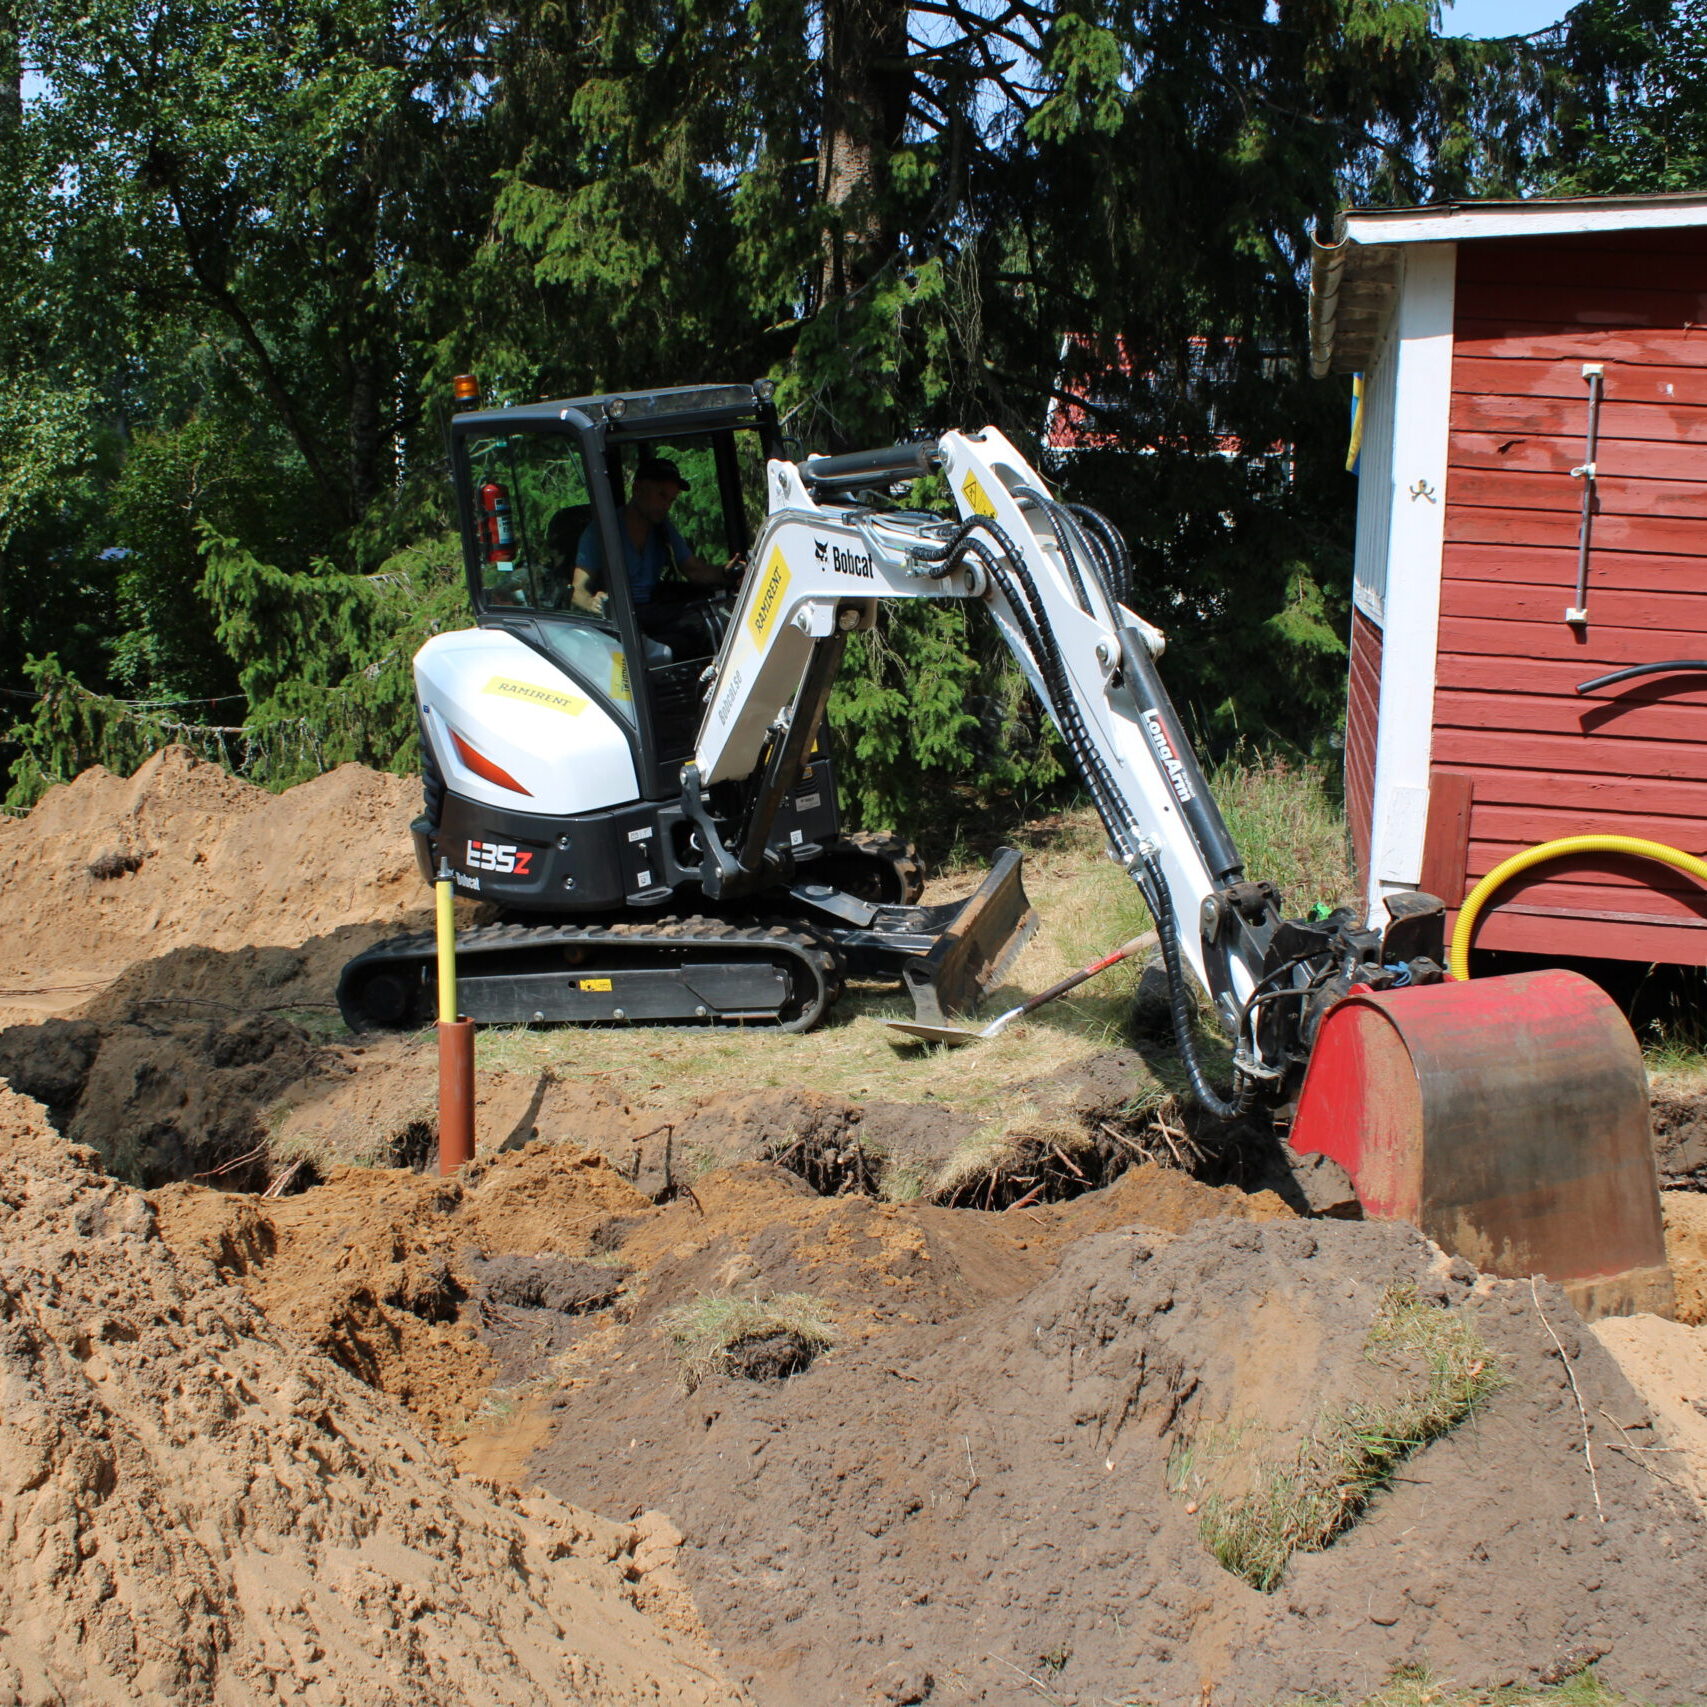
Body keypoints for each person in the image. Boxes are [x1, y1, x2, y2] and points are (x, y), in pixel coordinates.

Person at [570, 457, 735, 622]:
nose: (666, 505)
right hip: (621, 622)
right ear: (637, 489)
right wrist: (591, 603)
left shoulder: (662, 527)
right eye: (661, 495)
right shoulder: (602, 531)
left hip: (654, 613)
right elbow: (577, 590)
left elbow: (694, 570)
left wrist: (725, 573)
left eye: (671, 499)